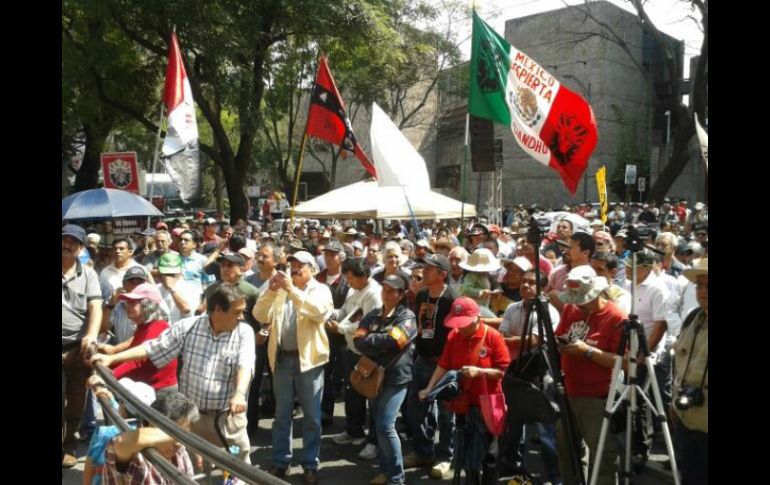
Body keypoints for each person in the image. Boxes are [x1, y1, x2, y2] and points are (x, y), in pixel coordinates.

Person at [91, 283, 256, 464]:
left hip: (226, 420)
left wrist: (240, 394)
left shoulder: (244, 332)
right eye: (237, 312)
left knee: (237, 466)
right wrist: (112, 358)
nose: (241, 317)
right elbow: (152, 348)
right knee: (188, 468)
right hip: (192, 419)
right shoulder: (188, 327)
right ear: (217, 310)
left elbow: (245, 364)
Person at [253, 251, 334, 484]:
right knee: (281, 415)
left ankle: (310, 464)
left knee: (312, 417)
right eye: (293, 265)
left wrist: (292, 290)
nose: (295, 268)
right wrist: (270, 291)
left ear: (312, 269)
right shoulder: (279, 289)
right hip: (282, 360)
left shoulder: (320, 289)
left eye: (300, 265)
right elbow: (258, 314)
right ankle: (281, 462)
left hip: (309, 361)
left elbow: (320, 312)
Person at [418, 297, 511, 485]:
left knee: (490, 454)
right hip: (463, 403)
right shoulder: (454, 336)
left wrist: (480, 372)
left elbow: (502, 372)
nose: (460, 327)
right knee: (466, 449)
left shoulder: (493, 337)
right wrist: (429, 388)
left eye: (464, 323)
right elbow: (443, 365)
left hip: (487, 405)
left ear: (477, 318)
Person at [554, 266, 624, 485]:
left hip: (597, 397)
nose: (579, 304)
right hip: (569, 392)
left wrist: (588, 351)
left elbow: (623, 362)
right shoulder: (571, 309)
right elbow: (559, 335)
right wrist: (561, 345)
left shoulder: (616, 316)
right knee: (567, 450)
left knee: (602, 454)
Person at [353, 275, 418, 485]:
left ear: (401, 295)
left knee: (385, 425)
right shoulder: (372, 315)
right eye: (384, 289)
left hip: (396, 378)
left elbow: (396, 341)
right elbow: (357, 340)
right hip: (372, 376)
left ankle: (396, 477)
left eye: (392, 291)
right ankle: (386, 470)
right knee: (379, 424)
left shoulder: (407, 316)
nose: (386, 294)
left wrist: (372, 340)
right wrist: (382, 340)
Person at [404, 254, 458, 479]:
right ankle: (423, 452)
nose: (424, 271)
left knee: (447, 414)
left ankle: (445, 457)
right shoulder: (423, 294)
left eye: (429, 268)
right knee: (416, 409)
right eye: (424, 267)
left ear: (442, 274)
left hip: (446, 364)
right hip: (422, 359)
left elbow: (456, 334)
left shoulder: (452, 298)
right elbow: (421, 326)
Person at [63, 223, 104, 468]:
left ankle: (69, 444)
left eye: (73, 242)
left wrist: (92, 335)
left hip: (78, 348)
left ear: (80, 248)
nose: (67, 245)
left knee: (77, 400)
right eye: (64, 240)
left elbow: (96, 307)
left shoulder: (89, 274)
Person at [101, 390, 199, 485]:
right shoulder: (133, 453)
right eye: (171, 436)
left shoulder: (180, 452)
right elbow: (122, 441)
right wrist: (181, 437)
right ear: (151, 424)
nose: (178, 444)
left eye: (183, 436)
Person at [98, 283, 178, 392]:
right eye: (127, 302)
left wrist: (109, 376)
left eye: (132, 303)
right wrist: (109, 358)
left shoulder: (159, 327)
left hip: (160, 392)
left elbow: (136, 361)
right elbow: (133, 351)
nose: (127, 306)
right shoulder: (143, 327)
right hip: (147, 388)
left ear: (148, 307)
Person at [671, 258, 708, 485]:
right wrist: (674, 401)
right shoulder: (694, 317)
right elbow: (680, 362)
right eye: (699, 285)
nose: (702, 291)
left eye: (708, 286)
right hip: (686, 419)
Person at [82, 377, 157, 485]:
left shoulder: (104, 433)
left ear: (122, 407)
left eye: (120, 401)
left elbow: (89, 470)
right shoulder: (153, 435)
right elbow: (126, 412)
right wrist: (109, 397)